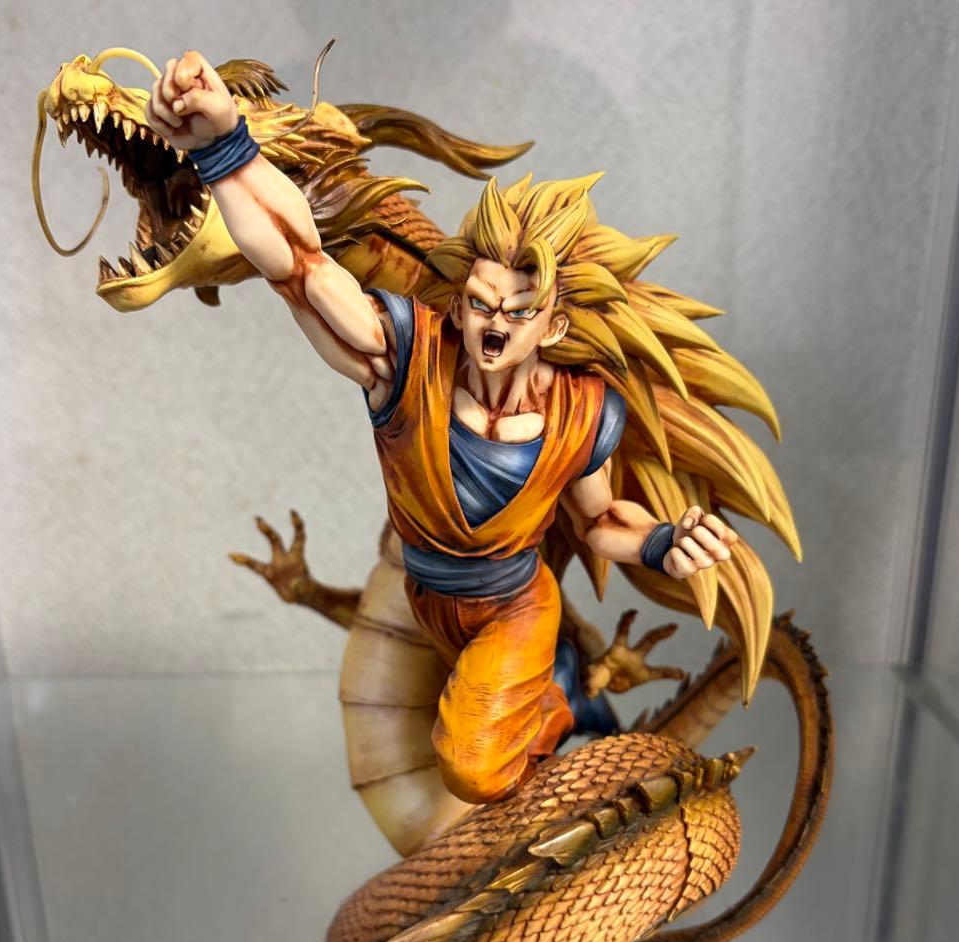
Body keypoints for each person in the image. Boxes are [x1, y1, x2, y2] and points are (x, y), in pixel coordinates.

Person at [145, 51, 738, 804]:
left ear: (553, 325)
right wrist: (222, 147)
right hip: (428, 600)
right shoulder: (406, 361)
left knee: (471, 770)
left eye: (518, 312)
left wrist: (662, 542)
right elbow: (299, 264)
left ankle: (559, 706)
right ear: (458, 303)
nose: (495, 324)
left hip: (517, 603)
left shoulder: (585, 411)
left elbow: (599, 521)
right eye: (481, 303)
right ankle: (556, 707)